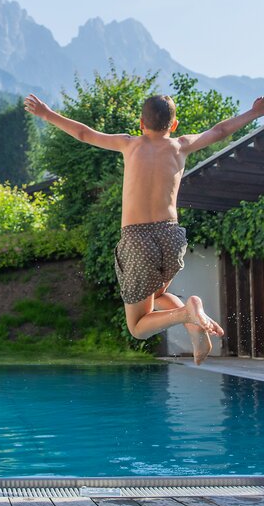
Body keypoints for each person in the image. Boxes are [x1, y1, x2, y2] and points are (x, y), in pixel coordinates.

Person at [24, 92, 264, 364]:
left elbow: (83, 133)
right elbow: (220, 130)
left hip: (138, 238)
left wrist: (46, 114)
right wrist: (254, 113)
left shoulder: (129, 144)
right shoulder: (180, 145)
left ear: (141, 123)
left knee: (137, 328)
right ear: (174, 125)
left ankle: (188, 314)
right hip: (172, 236)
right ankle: (195, 328)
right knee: (159, 295)